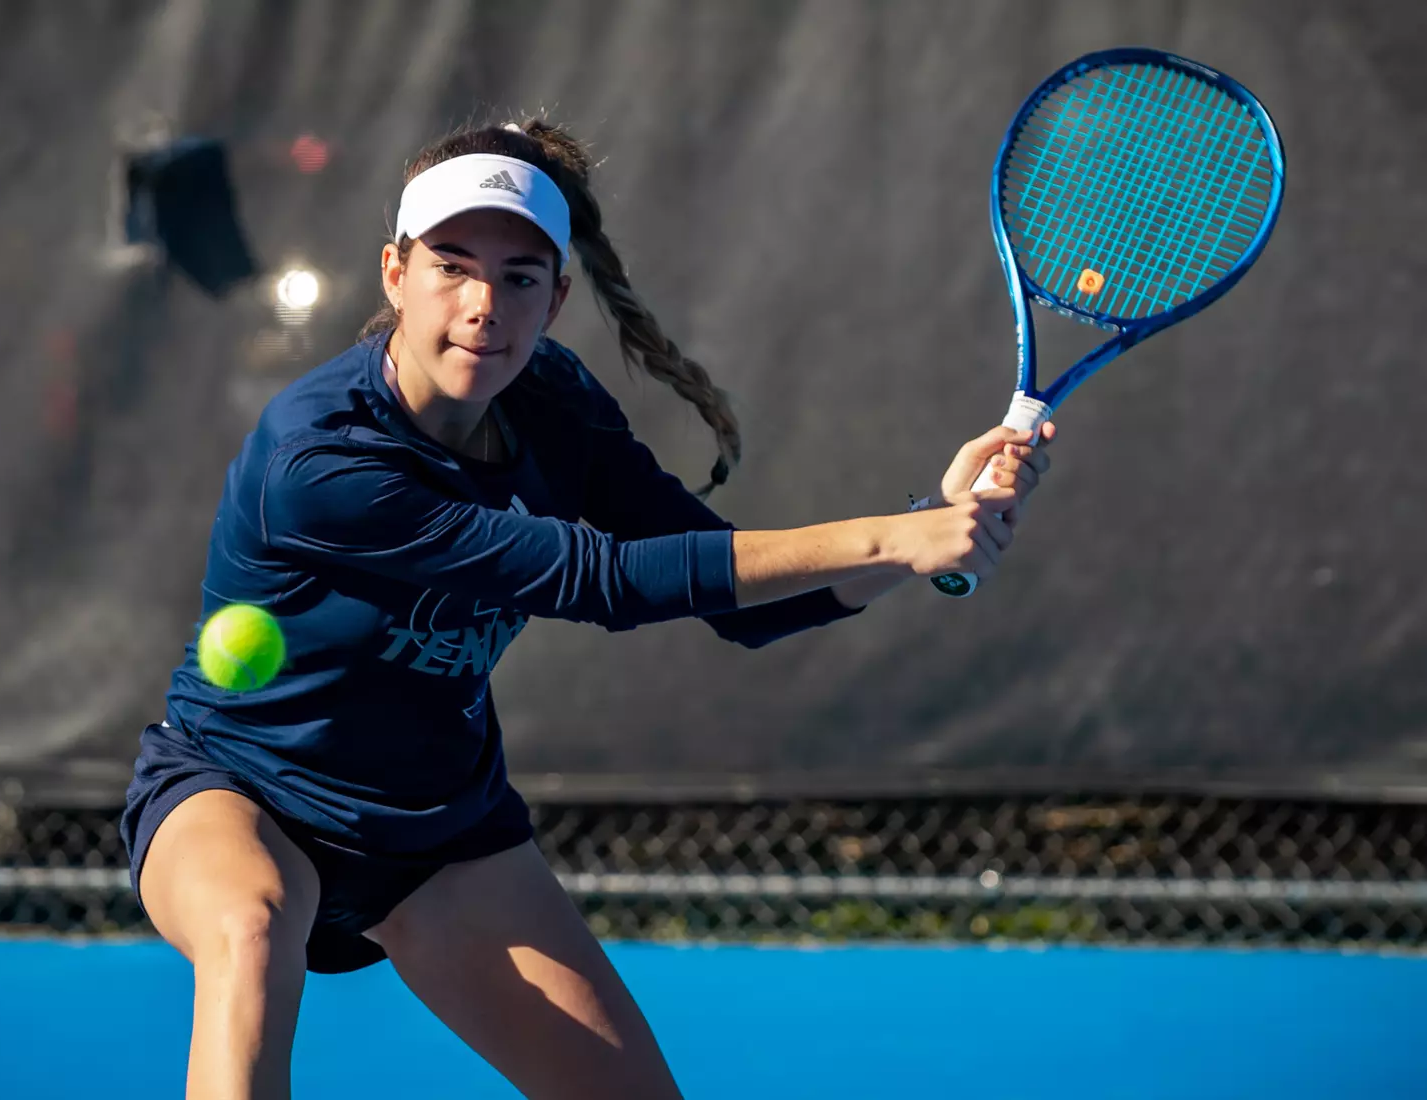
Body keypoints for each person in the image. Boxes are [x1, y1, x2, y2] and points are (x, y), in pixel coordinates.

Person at [121, 117, 1056, 1100]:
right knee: (253, 928)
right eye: (451, 267)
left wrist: (928, 524)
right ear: (395, 274)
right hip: (242, 796)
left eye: (519, 276)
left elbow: (742, 602)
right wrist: (893, 539)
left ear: (557, 297)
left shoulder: (553, 402)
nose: (484, 305)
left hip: (440, 830)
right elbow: (604, 578)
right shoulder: (317, 459)